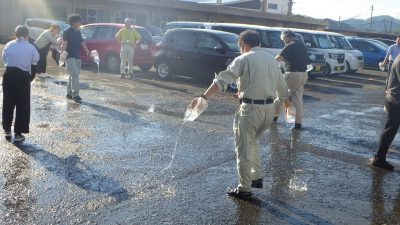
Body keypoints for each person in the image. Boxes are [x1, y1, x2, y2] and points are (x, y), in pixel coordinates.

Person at [187, 30, 288, 200]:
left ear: (244, 44)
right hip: (268, 111)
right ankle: (256, 177)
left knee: (243, 150)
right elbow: (283, 90)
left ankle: (244, 188)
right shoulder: (272, 60)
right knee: (253, 142)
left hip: (250, 110)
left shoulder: (243, 59)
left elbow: (222, 80)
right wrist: (282, 107)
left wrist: (203, 97)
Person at [2, 26, 39, 141]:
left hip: (8, 75)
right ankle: (18, 133)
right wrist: (31, 77)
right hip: (23, 76)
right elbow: (34, 63)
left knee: (8, 102)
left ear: (16, 34)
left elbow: (5, 59)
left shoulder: (8, 45)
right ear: (27, 35)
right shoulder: (31, 47)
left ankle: (7, 130)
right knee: (22, 104)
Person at [273, 29, 308, 129]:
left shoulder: (290, 45)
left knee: (281, 94)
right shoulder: (302, 45)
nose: (284, 41)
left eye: (283, 39)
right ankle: (297, 122)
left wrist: (270, 65)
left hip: (292, 74)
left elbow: (278, 58)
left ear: (286, 37)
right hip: (303, 74)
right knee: (297, 99)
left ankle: (273, 116)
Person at [372, 54, 400, 171]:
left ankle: (379, 158)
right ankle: (379, 159)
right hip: (396, 100)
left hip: (395, 99)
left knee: (390, 130)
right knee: (390, 130)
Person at [61, 14, 92, 102]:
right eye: (78, 21)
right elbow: (64, 44)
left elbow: (82, 43)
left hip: (77, 56)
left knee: (73, 75)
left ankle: (69, 93)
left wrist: (88, 53)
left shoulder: (78, 32)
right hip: (69, 56)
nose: (80, 22)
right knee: (75, 74)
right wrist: (62, 54)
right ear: (73, 22)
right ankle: (76, 94)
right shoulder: (66, 32)